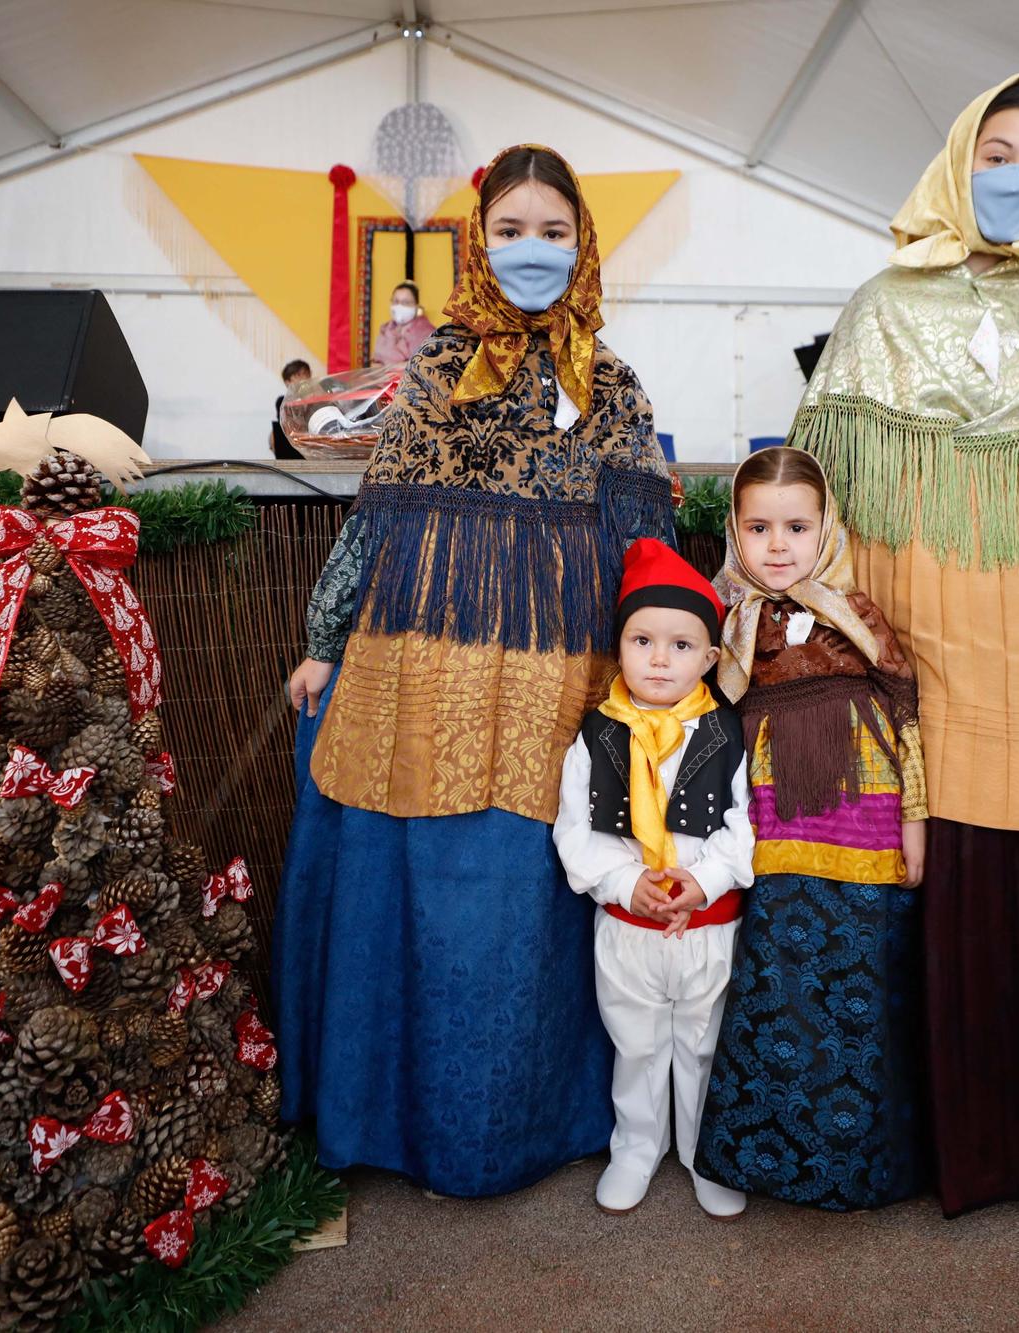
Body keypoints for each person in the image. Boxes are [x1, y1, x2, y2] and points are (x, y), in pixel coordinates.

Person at [272, 144, 675, 1197]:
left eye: (553, 230)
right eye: (509, 230)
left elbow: (645, 549)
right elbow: (374, 521)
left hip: (559, 678)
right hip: (426, 669)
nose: (530, 249)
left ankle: (545, 1121)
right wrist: (324, 641)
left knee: (532, 897)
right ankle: (395, 1121)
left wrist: (654, 681)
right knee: (429, 892)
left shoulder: (616, 388)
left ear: (581, 243)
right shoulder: (432, 374)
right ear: (478, 241)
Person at [789, 71, 1019, 1216]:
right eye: (998, 153)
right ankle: (937, 1147)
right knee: (926, 847)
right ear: (956, 158)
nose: (1017, 178)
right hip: (910, 597)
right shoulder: (880, 302)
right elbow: (819, 468)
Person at [694, 447, 930, 1212]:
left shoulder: (855, 611)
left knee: (863, 985)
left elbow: (904, 710)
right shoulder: (728, 622)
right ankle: (768, 1159)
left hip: (866, 830)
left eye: (797, 525)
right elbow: (706, 719)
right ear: (735, 529)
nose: (778, 545)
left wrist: (915, 822)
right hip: (776, 829)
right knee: (779, 987)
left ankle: (866, 1165)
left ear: (827, 527)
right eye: (758, 527)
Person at [553, 537, 754, 1219]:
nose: (659, 657)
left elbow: (744, 827)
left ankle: (705, 1154)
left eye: (679, 644)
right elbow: (573, 831)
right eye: (642, 639)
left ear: (710, 657)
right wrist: (621, 882)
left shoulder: (729, 734)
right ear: (620, 649)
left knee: (701, 1044)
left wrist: (706, 879)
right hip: (629, 931)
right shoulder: (596, 735)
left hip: (706, 928)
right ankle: (636, 1147)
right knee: (636, 1046)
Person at [372, 280, 436, 367]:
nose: (399, 306)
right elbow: (375, 362)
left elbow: (423, 365)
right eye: (395, 301)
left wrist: (392, 369)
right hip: (382, 379)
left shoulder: (427, 332)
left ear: (416, 305)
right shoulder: (386, 329)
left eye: (406, 302)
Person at [271, 358, 311, 459]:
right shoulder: (282, 402)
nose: (304, 378)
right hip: (291, 452)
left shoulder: (317, 398)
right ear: (287, 382)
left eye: (306, 374)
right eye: (298, 375)